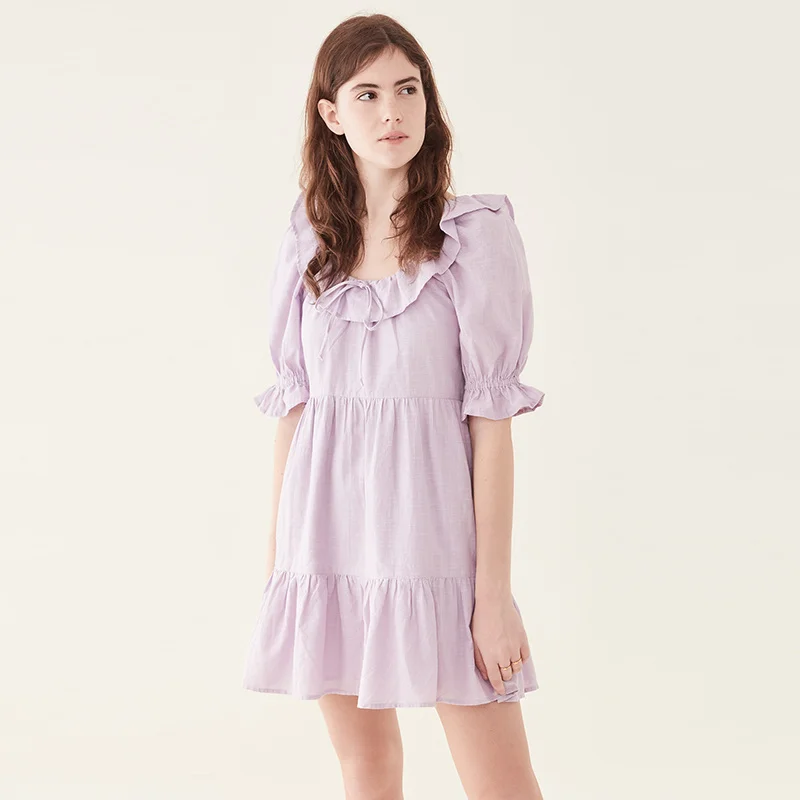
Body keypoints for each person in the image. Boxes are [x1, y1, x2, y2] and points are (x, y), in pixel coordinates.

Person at [243, 13, 547, 800]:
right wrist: (282, 566)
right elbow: (295, 410)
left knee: (502, 784)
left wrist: (492, 596)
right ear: (331, 114)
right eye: (368, 94)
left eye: (408, 90)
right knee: (365, 766)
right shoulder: (308, 240)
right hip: (327, 544)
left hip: (436, 551)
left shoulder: (475, 238)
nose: (392, 112)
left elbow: (491, 425)